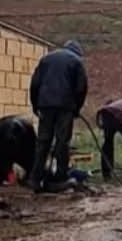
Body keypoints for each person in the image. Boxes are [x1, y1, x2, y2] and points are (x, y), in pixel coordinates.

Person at [29, 39, 87, 192]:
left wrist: (35, 105)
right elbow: (81, 88)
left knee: (43, 142)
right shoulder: (76, 61)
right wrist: (76, 108)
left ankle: (35, 179)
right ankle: (60, 178)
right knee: (62, 142)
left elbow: (35, 83)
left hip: (45, 105)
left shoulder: (46, 59)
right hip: (65, 107)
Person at [0, 114, 37, 186]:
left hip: (3, 127)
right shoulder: (27, 131)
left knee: (0, 155)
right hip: (16, 131)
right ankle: (10, 178)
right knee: (6, 156)